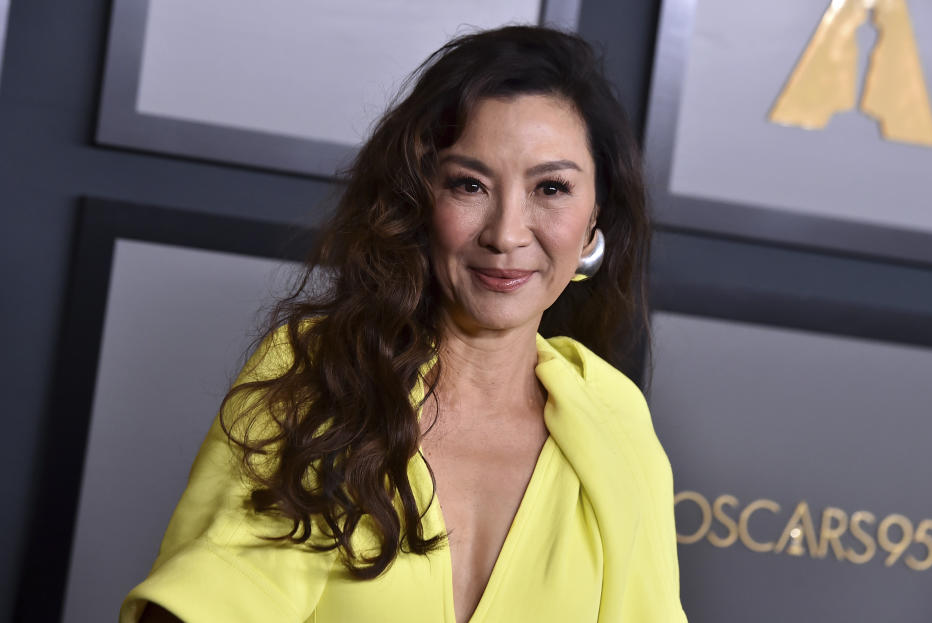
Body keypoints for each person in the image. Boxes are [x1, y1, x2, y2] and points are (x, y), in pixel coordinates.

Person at [120, 25, 687, 623]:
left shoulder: (614, 420)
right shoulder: (320, 374)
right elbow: (209, 599)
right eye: (470, 184)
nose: (507, 233)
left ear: (595, 218)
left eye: (551, 187)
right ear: (419, 199)